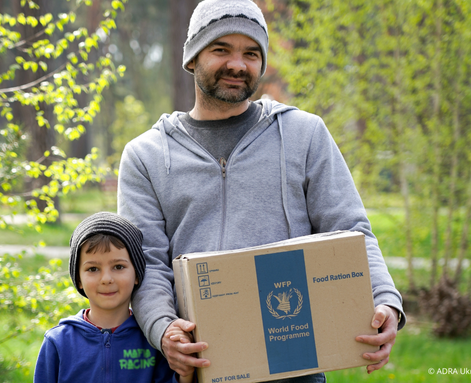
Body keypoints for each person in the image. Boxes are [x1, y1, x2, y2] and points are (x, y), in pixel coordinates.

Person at [117, 0, 406, 381]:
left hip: (297, 365)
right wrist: (163, 328)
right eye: (221, 49)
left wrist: (386, 301)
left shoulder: (304, 135)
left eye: (251, 53)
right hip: (203, 366)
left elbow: (351, 230)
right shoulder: (146, 155)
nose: (238, 64)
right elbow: (147, 263)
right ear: (192, 57)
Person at [34, 212, 191, 383]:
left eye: (118, 266)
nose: (106, 279)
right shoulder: (58, 342)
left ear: (137, 274)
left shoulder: (153, 340)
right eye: (93, 269)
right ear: (78, 279)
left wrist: (186, 373)